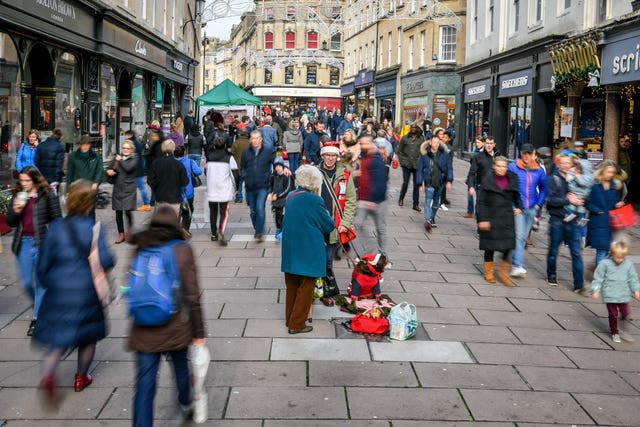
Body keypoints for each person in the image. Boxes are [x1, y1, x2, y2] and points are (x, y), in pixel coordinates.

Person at [33, 180, 115, 405]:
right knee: (88, 337)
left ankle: (49, 375)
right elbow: (107, 260)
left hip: (58, 290)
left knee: (58, 340)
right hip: (87, 290)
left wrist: (49, 283)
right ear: (89, 203)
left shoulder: (56, 227)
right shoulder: (95, 229)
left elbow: (42, 264)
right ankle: (81, 377)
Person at [128, 204, 206, 426]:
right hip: (175, 325)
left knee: (144, 384)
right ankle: (185, 404)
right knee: (181, 368)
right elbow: (193, 295)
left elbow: (132, 285)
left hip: (142, 326)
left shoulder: (141, 246)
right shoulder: (182, 249)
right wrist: (199, 333)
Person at [7, 166, 62, 336]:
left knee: (40, 283)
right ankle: (42, 305)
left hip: (42, 243)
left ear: (36, 180)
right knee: (25, 283)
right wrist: (16, 210)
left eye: (27, 181)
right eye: (21, 180)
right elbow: (11, 223)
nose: (23, 184)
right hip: (23, 243)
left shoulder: (47, 195)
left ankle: (37, 318)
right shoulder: (18, 195)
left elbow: (57, 219)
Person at [281, 165, 336, 333]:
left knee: (292, 285)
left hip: (291, 248)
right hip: (308, 249)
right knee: (306, 287)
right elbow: (329, 225)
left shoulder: (291, 195)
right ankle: (297, 324)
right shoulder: (315, 200)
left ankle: (289, 318)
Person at [318, 142, 356, 304]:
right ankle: (324, 289)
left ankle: (324, 289)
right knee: (319, 258)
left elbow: (351, 200)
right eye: (327, 155)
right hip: (317, 223)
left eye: (333, 155)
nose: (330, 159)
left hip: (335, 224)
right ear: (322, 156)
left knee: (327, 258)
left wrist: (346, 222)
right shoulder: (315, 173)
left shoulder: (345, 174)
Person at [476, 156, 522, 286]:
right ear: (494, 166)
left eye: (504, 166)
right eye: (499, 166)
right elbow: (482, 202)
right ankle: (489, 273)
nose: (502, 169)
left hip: (506, 218)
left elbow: (517, 196)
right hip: (490, 216)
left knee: (508, 246)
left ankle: (503, 273)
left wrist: (519, 207)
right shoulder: (488, 180)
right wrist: (482, 219)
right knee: (489, 247)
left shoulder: (512, 178)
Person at [546, 153, 587, 295]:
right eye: (562, 163)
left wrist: (581, 200)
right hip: (557, 220)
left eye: (568, 163)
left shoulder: (576, 180)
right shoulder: (553, 179)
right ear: (558, 164)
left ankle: (579, 284)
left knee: (576, 253)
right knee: (553, 250)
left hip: (574, 221)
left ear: (571, 164)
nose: (565, 165)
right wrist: (568, 200)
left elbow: (584, 195)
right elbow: (550, 200)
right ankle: (551, 274)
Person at [507, 143, 547, 278]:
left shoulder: (539, 170)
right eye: (524, 153)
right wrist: (513, 206)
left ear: (534, 154)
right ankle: (517, 265)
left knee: (523, 238)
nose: (527, 156)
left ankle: (514, 261)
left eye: (529, 154)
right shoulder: (513, 167)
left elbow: (544, 188)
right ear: (521, 153)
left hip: (531, 208)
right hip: (518, 208)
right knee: (519, 236)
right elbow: (507, 187)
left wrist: (538, 205)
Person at [591, 241, 640, 343]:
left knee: (625, 313)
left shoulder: (628, 265)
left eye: (622, 257)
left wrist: (636, 290)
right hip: (610, 294)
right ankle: (614, 332)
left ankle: (622, 328)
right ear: (612, 254)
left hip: (623, 294)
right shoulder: (604, 264)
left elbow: (633, 278)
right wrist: (596, 290)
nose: (619, 260)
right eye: (617, 257)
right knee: (613, 314)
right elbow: (598, 278)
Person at [586, 160, 626, 266]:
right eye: (608, 172)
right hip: (598, 222)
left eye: (612, 172)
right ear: (602, 171)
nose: (610, 174)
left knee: (608, 250)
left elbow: (614, 203)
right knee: (602, 250)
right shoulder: (595, 186)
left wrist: (618, 204)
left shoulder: (615, 187)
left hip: (610, 223)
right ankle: (600, 276)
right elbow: (587, 202)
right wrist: (597, 210)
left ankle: (600, 273)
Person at [353, 135, 388, 254]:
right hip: (364, 199)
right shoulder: (365, 156)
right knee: (357, 225)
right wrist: (359, 173)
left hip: (376, 201)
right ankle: (368, 251)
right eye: (361, 144)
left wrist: (373, 200)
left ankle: (382, 255)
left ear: (371, 143)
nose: (363, 146)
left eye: (365, 143)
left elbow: (380, 181)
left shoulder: (376, 158)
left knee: (380, 229)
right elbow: (367, 174)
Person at [241, 131, 275, 242]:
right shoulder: (246, 152)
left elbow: (275, 163)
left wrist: (282, 169)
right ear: (250, 139)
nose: (255, 140)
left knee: (260, 208)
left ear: (261, 139)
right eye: (253, 138)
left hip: (263, 185)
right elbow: (243, 167)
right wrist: (245, 176)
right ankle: (258, 228)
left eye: (257, 138)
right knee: (253, 211)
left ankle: (259, 232)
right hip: (250, 186)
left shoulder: (268, 151)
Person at [416, 136, 453, 233]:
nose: (436, 144)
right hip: (429, 182)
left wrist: (449, 180)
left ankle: (432, 218)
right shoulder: (424, 155)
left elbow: (449, 168)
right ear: (430, 143)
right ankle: (428, 220)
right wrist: (420, 183)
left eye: (438, 142)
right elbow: (419, 170)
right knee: (428, 201)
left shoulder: (445, 155)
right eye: (434, 142)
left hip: (440, 182)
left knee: (436, 203)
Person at [106, 140, 139, 244]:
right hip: (118, 189)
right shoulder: (118, 158)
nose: (125, 150)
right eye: (124, 148)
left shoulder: (135, 158)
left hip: (129, 190)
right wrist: (109, 171)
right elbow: (109, 168)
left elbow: (128, 168)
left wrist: (120, 160)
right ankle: (121, 234)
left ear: (131, 149)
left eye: (127, 148)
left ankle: (130, 231)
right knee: (118, 212)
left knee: (128, 211)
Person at [147, 139, 188, 213]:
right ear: (173, 149)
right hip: (175, 198)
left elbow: (150, 180)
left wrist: (157, 186)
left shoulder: (156, 163)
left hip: (161, 197)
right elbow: (185, 182)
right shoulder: (178, 164)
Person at [175, 145, 202, 237]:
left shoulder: (172, 162)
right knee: (188, 211)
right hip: (188, 192)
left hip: (174, 192)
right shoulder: (190, 162)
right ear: (185, 152)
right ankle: (185, 229)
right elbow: (198, 172)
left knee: (176, 211)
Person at [397, 124, 424, 212]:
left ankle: (415, 204)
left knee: (416, 184)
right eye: (412, 128)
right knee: (405, 182)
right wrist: (402, 161)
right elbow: (399, 151)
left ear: (417, 129)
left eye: (415, 128)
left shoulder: (421, 139)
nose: (413, 129)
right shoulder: (405, 138)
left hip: (417, 164)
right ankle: (401, 198)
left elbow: (424, 151)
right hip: (406, 164)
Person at [269, 158, 294, 242]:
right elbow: (270, 186)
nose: (278, 168)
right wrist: (270, 193)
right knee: (277, 216)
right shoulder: (273, 176)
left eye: (280, 166)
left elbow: (288, 189)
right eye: (276, 166)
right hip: (276, 202)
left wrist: (278, 196)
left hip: (285, 201)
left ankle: (283, 232)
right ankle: (279, 229)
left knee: (284, 217)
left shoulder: (287, 175)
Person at [563, 158, 593, 225]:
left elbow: (582, 182)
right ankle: (570, 218)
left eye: (579, 168)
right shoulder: (575, 174)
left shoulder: (589, 177)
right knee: (571, 208)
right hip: (575, 196)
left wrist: (577, 176)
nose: (577, 170)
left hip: (583, 198)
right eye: (577, 168)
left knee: (581, 211)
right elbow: (570, 184)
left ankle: (582, 226)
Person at [35, 128, 65, 194]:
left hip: (42, 178)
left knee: (42, 198)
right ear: (60, 137)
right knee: (53, 200)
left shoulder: (41, 145)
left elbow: (36, 162)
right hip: (54, 179)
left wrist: (39, 177)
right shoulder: (60, 147)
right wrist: (57, 179)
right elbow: (59, 165)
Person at [464, 136, 485, 218]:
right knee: (470, 194)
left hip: (480, 176)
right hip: (473, 175)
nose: (477, 144)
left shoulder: (484, 152)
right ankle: (470, 211)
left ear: (483, 143)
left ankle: (478, 213)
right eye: (476, 142)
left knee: (479, 197)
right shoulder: (474, 151)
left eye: (479, 142)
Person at [230, 129, 250, 203]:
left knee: (240, 182)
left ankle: (239, 197)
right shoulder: (249, 143)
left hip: (238, 165)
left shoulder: (236, 142)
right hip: (248, 165)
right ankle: (248, 198)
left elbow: (232, 152)